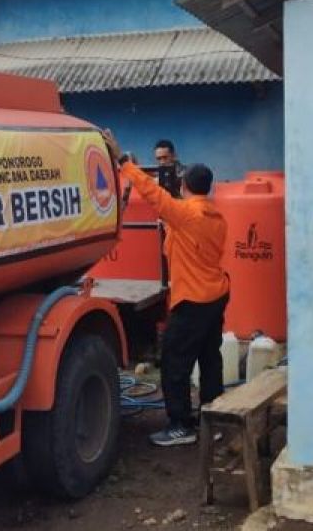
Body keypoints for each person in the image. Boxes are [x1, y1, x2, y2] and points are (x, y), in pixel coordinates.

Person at [102, 129, 229, 447]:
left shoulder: (186, 214)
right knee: (209, 359)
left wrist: (122, 161)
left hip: (193, 300)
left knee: (175, 362)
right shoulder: (215, 215)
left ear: (185, 186)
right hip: (215, 295)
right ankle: (211, 418)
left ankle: (180, 425)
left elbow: (152, 193)